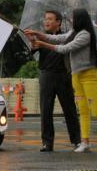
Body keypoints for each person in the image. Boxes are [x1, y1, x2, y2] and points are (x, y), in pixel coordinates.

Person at [25, 8, 97, 153]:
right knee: (83, 111)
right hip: (74, 75)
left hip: (87, 75)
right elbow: (56, 39)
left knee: (95, 111)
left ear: (79, 19)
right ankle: (84, 142)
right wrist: (38, 34)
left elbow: (66, 48)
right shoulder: (72, 33)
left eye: (73, 18)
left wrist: (43, 43)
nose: (70, 20)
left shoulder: (84, 35)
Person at [28, 10, 81, 152]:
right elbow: (30, 52)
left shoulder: (67, 36)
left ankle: (76, 140)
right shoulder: (41, 37)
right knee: (46, 110)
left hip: (64, 76)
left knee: (70, 109)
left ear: (58, 22)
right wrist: (33, 44)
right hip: (46, 75)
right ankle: (47, 142)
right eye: (45, 19)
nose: (46, 21)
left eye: (50, 19)